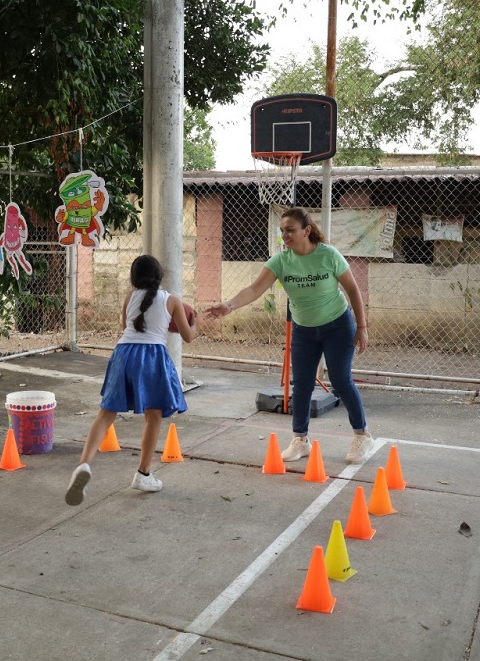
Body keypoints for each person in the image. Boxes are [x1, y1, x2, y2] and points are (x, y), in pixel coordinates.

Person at [204, 206, 374, 463]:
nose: (285, 235)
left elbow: (352, 289)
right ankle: (300, 440)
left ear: (306, 231)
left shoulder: (328, 255)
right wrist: (228, 305)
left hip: (338, 325)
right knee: (302, 384)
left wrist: (361, 327)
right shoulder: (281, 260)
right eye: (282, 231)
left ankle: (362, 436)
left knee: (340, 380)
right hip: (304, 330)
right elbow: (253, 289)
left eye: (290, 230)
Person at [65, 254, 198, 505]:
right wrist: (197, 322)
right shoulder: (171, 301)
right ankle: (143, 474)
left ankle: (83, 464)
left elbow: (125, 324)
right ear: (160, 277)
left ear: (133, 279)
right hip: (151, 355)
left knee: (106, 414)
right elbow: (188, 336)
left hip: (123, 352)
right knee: (153, 415)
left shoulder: (130, 298)